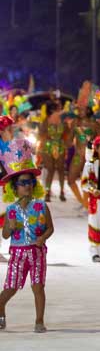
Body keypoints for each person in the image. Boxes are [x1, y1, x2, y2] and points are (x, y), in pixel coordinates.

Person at [0, 139, 54, 333]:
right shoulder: (11, 210)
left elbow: (50, 228)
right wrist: (10, 227)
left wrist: (43, 238)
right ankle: (1, 308)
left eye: (30, 182)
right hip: (17, 253)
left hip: (37, 252)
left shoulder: (41, 206)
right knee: (11, 287)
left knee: (38, 286)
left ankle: (39, 321)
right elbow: (5, 236)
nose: (28, 186)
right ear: (14, 187)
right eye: (23, 183)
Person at [38, 101, 68, 202]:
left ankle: (62, 192)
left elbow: (67, 133)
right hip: (48, 147)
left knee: (60, 170)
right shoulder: (45, 121)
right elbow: (41, 134)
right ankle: (47, 193)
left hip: (60, 147)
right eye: (57, 108)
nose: (59, 110)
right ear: (52, 110)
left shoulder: (63, 121)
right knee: (50, 170)